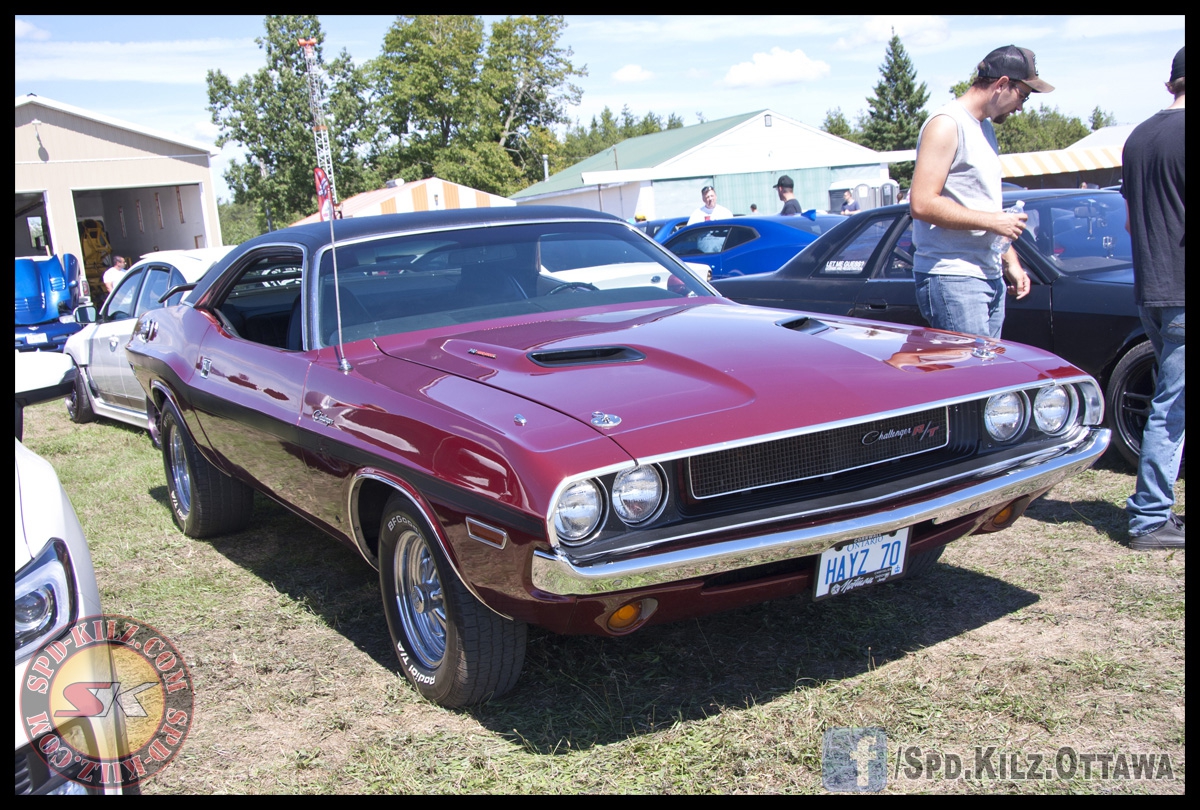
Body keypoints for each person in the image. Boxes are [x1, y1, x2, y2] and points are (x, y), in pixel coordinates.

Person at [908, 44, 1044, 338]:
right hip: (952, 277)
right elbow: (921, 203)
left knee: (987, 367)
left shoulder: (985, 129)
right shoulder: (946, 124)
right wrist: (993, 222)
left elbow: (983, 206)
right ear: (1002, 84)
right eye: (1023, 96)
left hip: (988, 275)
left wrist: (1011, 261)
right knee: (969, 366)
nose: (1020, 107)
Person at [1121, 46, 1185, 550]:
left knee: (1174, 401)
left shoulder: (1138, 136)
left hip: (1152, 290)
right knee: (1172, 407)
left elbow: (1130, 223)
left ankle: (1154, 510)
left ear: (1170, 85)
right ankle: (1149, 518)